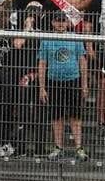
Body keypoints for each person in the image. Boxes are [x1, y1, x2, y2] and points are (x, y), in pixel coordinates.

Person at [37, 11, 91, 161]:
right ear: (52, 23)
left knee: (76, 116)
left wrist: (84, 84)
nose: (61, 24)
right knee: (56, 116)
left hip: (73, 80)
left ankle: (79, 148)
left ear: (68, 23)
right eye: (57, 21)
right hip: (54, 81)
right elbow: (42, 63)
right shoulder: (46, 39)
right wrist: (42, 87)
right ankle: (58, 147)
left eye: (63, 21)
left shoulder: (75, 37)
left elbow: (82, 61)